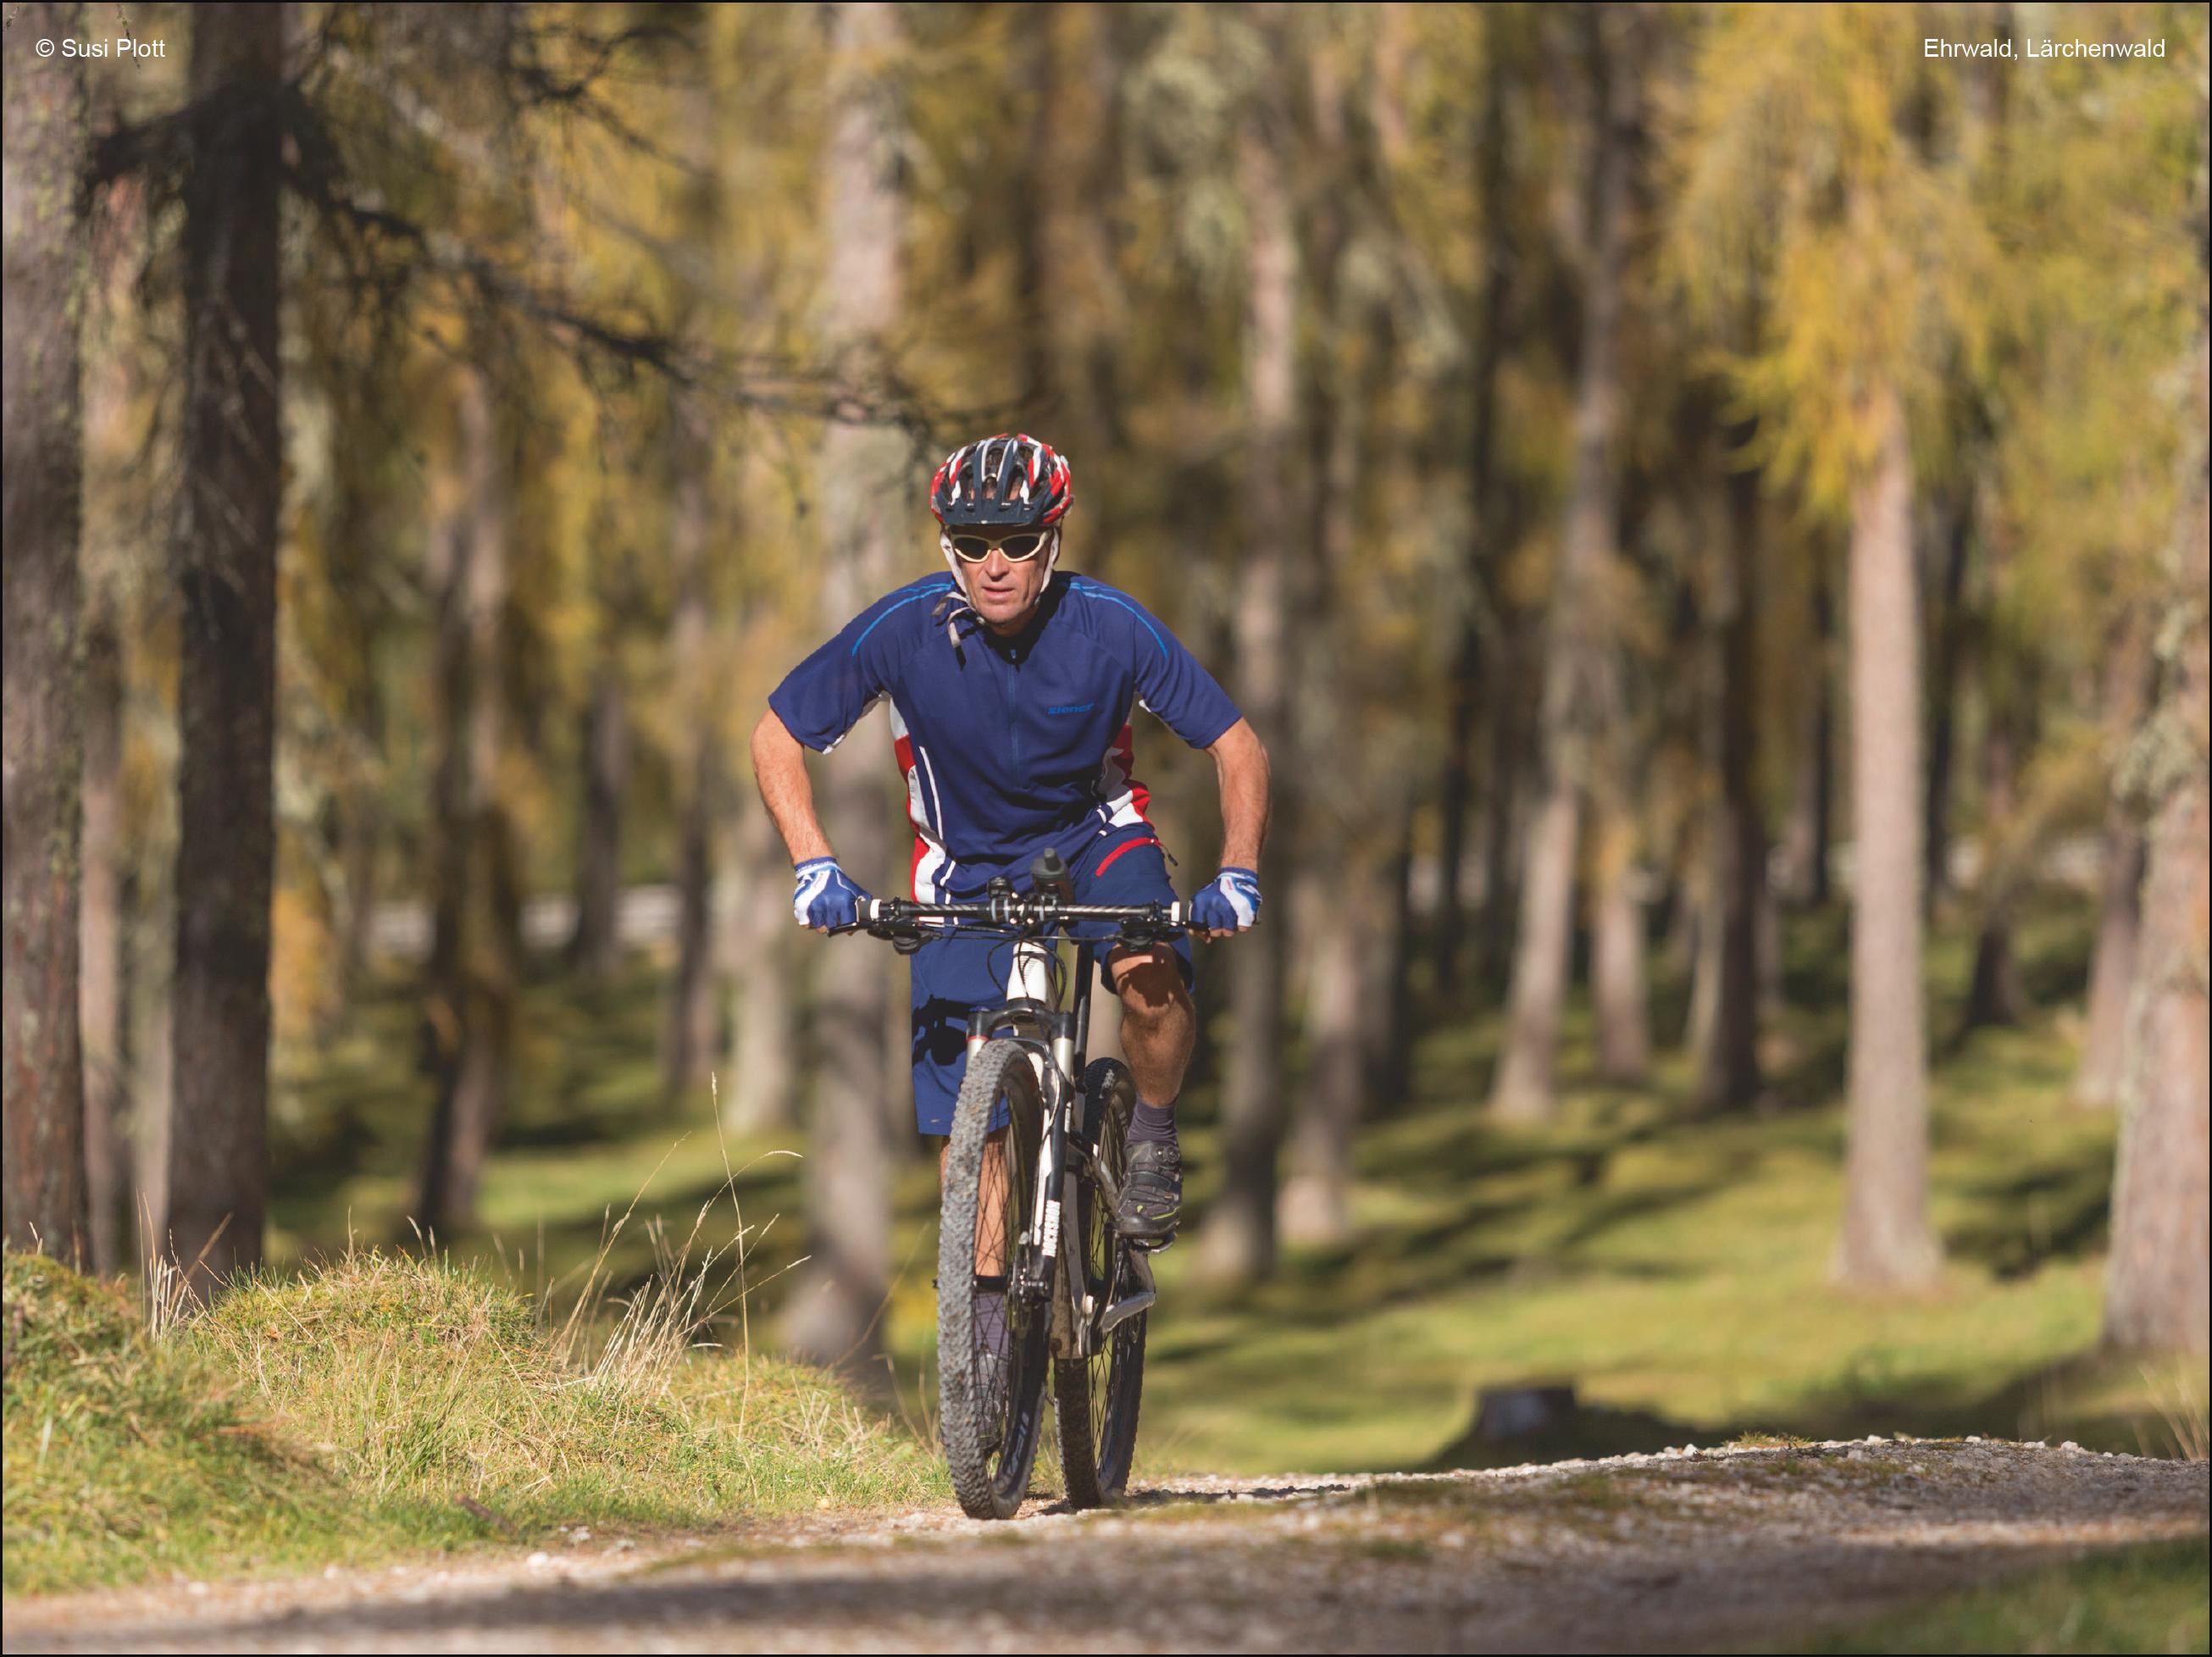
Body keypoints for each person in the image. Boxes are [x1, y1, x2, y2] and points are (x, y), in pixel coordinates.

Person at [751, 434, 1271, 1302]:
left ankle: (1148, 1127)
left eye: (1018, 543)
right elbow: (777, 737)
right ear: (947, 544)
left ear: (1053, 541)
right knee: (976, 1129)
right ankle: (986, 1348)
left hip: (1095, 837)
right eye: (972, 544)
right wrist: (814, 865)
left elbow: (1238, 746)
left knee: (1149, 971)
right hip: (965, 866)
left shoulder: (1109, 625)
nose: (995, 565)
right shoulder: (902, 629)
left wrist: (1239, 871)